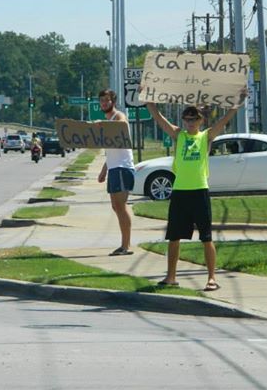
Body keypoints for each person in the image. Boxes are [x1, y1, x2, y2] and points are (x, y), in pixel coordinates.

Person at [145, 95, 244, 291]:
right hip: (180, 191)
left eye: (194, 119)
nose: (190, 123)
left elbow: (224, 121)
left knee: (206, 237)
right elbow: (158, 118)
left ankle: (211, 278)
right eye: (187, 119)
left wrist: (237, 103)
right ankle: (171, 277)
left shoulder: (206, 136)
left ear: (201, 120)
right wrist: (148, 100)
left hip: (199, 191)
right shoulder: (178, 135)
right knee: (173, 237)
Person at [97, 89, 136, 256]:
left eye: (107, 100)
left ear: (113, 101)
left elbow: (123, 124)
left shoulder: (118, 116)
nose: (104, 103)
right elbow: (112, 152)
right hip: (114, 168)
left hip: (123, 168)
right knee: (116, 206)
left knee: (121, 206)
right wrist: (103, 171)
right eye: (102, 101)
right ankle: (124, 244)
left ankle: (126, 246)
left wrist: (102, 125)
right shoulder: (108, 122)